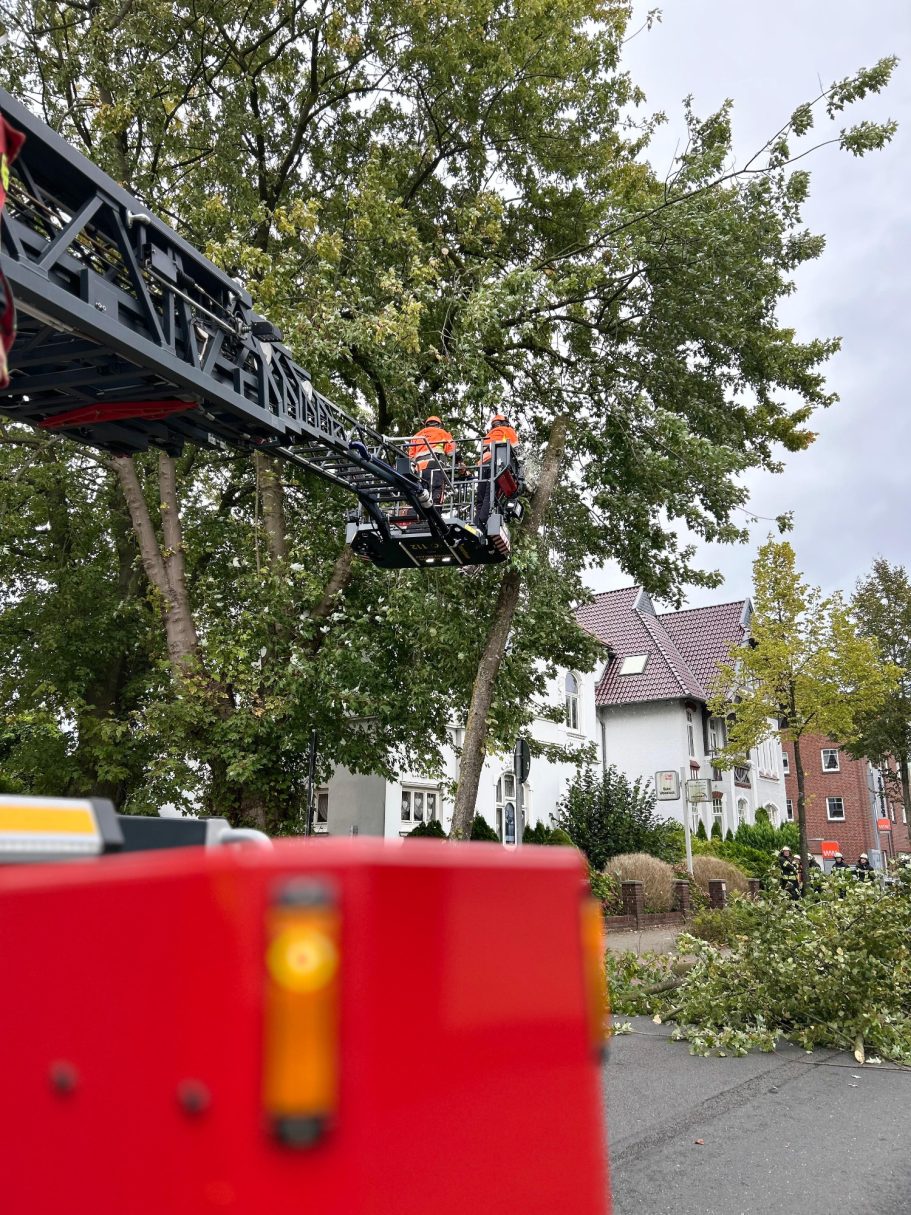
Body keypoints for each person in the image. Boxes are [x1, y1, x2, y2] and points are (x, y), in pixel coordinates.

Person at [474, 412, 520, 531]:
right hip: (497, 463)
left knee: (480, 497)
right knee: (489, 494)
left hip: (483, 464)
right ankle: (481, 524)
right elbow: (516, 447)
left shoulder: (489, 434)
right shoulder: (507, 430)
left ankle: (476, 523)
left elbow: (482, 450)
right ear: (504, 423)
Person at [407, 415, 456, 505]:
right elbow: (452, 452)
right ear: (439, 425)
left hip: (418, 471)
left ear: (426, 425)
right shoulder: (443, 433)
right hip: (435, 467)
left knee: (419, 496)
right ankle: (435, 512)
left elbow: (410, 457)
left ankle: (417, 513)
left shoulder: (416, 436)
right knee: (435, 495)